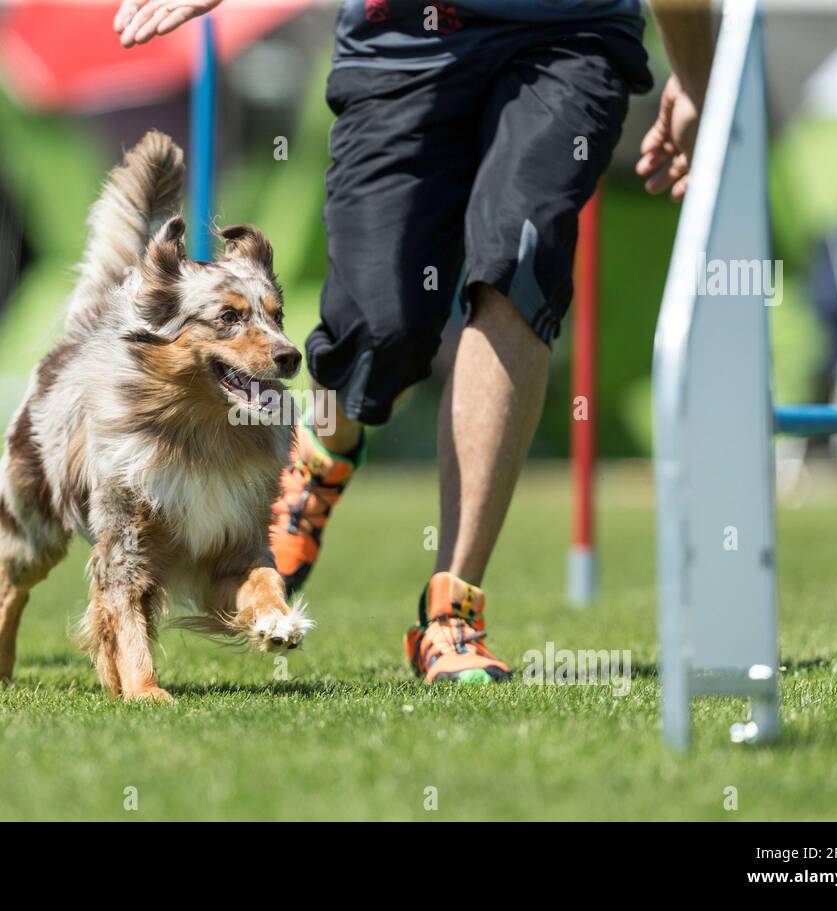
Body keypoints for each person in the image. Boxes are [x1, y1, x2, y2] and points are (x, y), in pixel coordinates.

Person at [114, 0, 714, 683]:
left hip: (568, 34)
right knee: (380, 328)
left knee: (519, 268)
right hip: (403, 37)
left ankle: (452, 611)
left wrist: (697, 77)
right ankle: (320, 456)